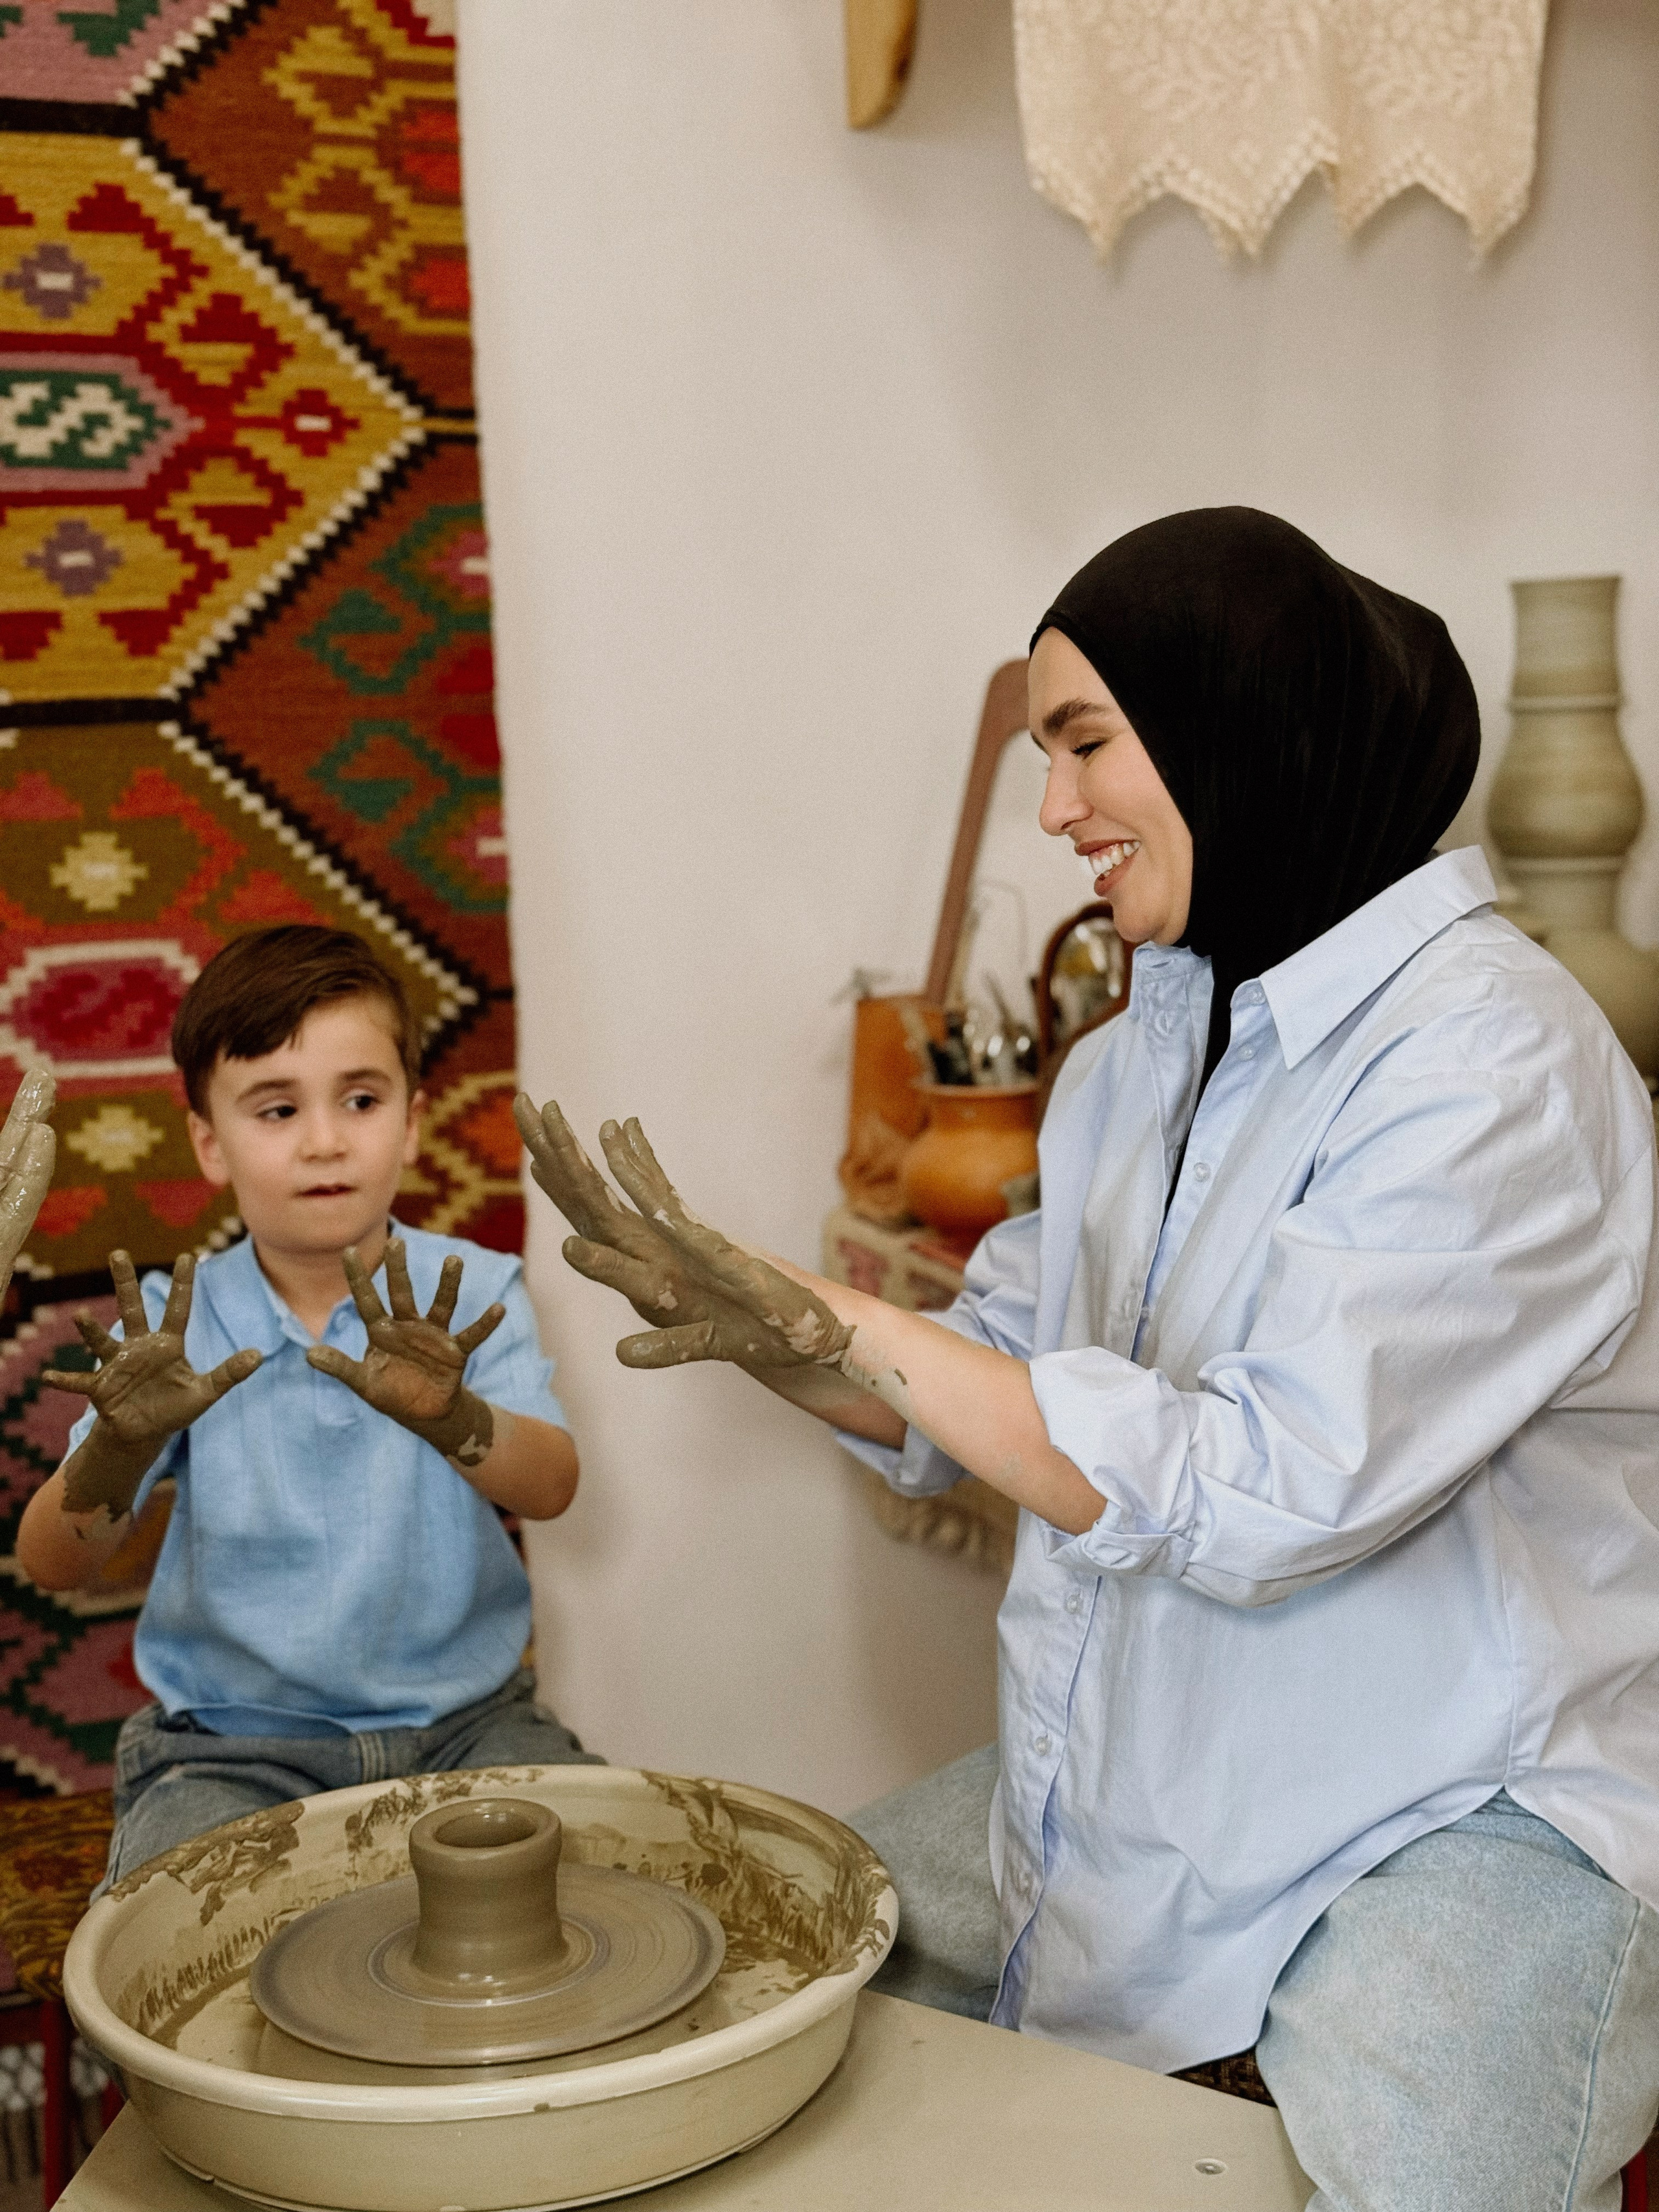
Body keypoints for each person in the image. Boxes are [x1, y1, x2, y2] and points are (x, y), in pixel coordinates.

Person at [513, 509, 1659, 2211]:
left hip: (1461, 1790)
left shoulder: (1495, 1056)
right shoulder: (1143, 1049)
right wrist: (781, 1336)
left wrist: (865, 1328)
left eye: (1084, 743)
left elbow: (1263, 1482)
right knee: (772, 1969)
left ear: (1239, 726)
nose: (1055, 808)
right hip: (1195, 1729)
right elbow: (991, 1376)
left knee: (1398, 2177)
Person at [17, 926, 598, 1888]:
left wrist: (456, 1417)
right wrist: (122, 1446)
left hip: (469, 1729)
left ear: (412, 1122)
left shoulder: (475, 1290)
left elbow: (552, 1488)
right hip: (231, 1752)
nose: (326, 1139)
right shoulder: (174, 1325)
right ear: (210, 1142)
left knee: (611, 1886)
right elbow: (53, 1563)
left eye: (361, 1099)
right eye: (277, 1108)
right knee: (172, 1944)